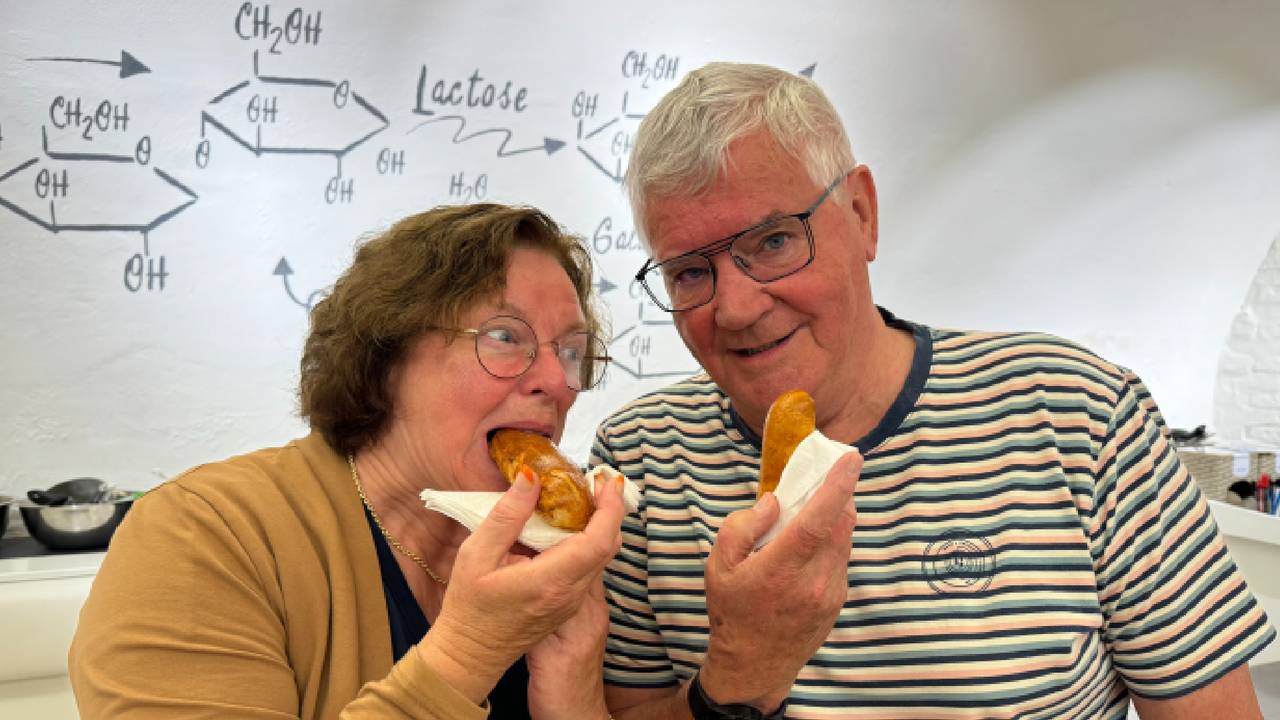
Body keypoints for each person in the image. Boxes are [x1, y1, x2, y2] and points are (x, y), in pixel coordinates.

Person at [593, 62, 1275, 719]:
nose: (736, 308)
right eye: (688, 273)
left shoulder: (1083, 418)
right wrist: (741, 674)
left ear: (861, 214)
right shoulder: (639, 462)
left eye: (773, 241)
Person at [70, 203, 625, 719]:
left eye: (572, 351)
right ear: (386, 355)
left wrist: (573, 692)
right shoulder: (202, 537)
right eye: (506, 336)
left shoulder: (549, 561)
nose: (557, 383)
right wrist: (471, 651)